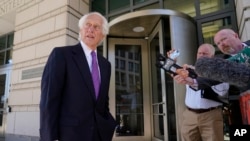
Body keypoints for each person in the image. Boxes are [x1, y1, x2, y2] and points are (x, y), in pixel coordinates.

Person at [39, 12, 117, 141]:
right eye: (88, 25)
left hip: (98, 135)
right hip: (69, 135)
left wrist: (107, 125)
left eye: (96, 27)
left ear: (102, 35)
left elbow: (103, 102)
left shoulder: (105, 65)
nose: (91, 29)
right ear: (81, 30)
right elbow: (49, 100)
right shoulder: (61, 55)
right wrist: (50, 137)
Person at [169, 43, 229, 141]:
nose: (201, 55)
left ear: (212, 57)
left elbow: (221, 92)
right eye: (199, 53)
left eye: (204, 53)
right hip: (190, 115)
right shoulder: (189, 70)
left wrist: (195, 79)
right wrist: (172, 61)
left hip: (211, 115)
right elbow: (172, 71)